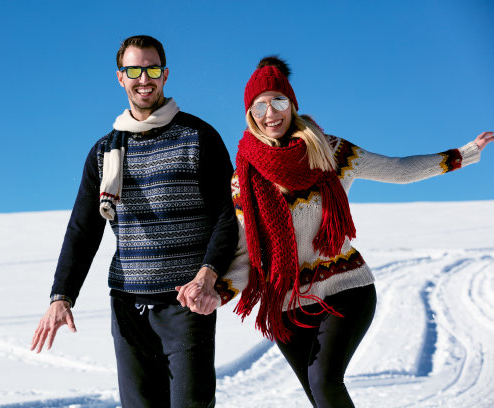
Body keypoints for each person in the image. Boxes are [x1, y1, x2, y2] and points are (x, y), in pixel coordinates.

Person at [200, 56, 493, 408]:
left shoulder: (331, 151)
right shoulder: (243, 179)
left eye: (278, 101)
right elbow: (246, 252)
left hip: (345, 290)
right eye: (259, 105)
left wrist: (460, 155)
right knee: (320, 395)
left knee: (325, 383)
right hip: (286, 303)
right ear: (250, 114)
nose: (269, 112)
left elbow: (398, 170)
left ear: (292, 105)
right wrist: (220, 292)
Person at [30, 35, 238, 408]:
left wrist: (208, 274)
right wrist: (61, 295)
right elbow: (83, 229)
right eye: (135, 70)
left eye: (153, 69)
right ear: (120, 77)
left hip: (186, 304)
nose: (145, 79)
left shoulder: (198, 137)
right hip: (128, 307)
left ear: (166, 74)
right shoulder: (104, 152)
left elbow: (228, 214)